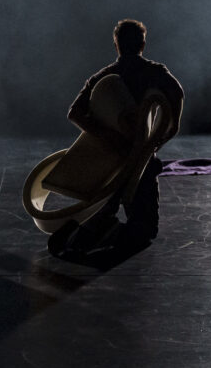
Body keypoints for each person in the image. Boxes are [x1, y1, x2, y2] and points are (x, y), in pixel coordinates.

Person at [49, 19, 184, 259]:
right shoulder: (155, 73)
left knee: (106, 212)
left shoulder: (105, 77)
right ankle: (98, 232)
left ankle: (86, 232)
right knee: (145, 232)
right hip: (140, 164)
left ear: (116, 45)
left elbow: (75, 113)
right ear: (143, 44)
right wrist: (162, 136)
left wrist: (106, 136)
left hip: (109, 165)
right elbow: (177, 93)